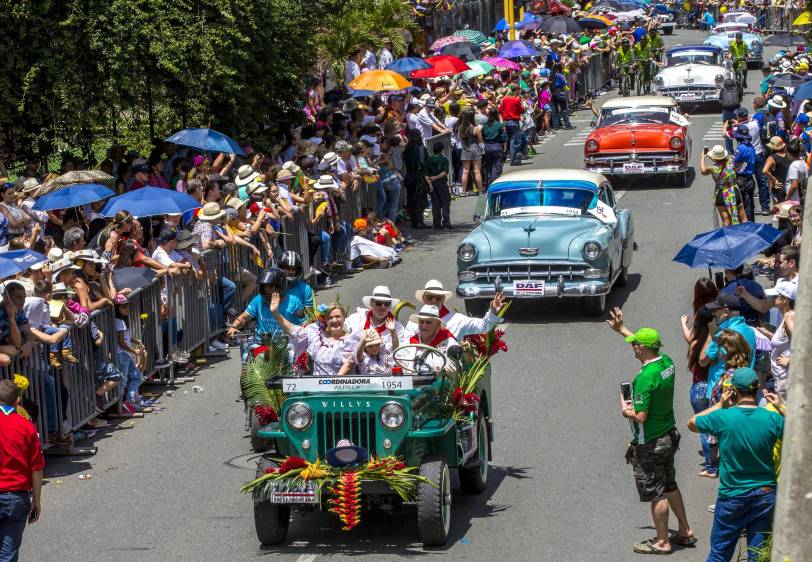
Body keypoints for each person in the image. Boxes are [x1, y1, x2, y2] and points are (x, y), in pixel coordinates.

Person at [606, 307, 695, 555]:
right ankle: (685, 530)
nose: (633, 347)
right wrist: (622, 329)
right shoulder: (666, 363)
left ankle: (662, 541)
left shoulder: (646, 378)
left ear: (642, 349)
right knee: (669, 484)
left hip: (651, 441)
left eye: (635, 345)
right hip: (668, 434)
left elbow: (641, 416)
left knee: (657, 493)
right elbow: (645, 346)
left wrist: (626, 409)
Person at [687, 368, 784, 562]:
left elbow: (692, 422)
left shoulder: (724, 417)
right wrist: (782, 407)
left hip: (733, 495)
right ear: (757, 389)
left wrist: (720, 405)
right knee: (759, 554)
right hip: (765, 494)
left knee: (719, 553)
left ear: (735, 391)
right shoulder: (772, 418)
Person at [0, 378, 44, 561]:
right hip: (15, 496)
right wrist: (37, 500)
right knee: (8, 552)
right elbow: (36, 467)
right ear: (17, 400)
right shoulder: (26, 427)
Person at [270, 295, 355, 377]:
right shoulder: (316, 334)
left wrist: (332, 383)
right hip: (318, 388)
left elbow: (348, 365)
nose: (334, 320)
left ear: (344, 317)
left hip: (344, 388)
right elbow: (294, 331)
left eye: (338, 316)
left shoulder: (352, 339)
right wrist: (276, 313)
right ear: (325, 320)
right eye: (330, 317)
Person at [405, 280, 505, 340]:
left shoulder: (458, 320)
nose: (434, 300)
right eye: (430, 297)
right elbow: (405, 346)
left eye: (438, 297)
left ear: (443, 299)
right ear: (424, 299)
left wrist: (493, 312)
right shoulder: (413, 322)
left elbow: (483, 327)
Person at [226, 268, 302, 347]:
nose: (267, 290)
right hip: (261, 344)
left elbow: (304, 325)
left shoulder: (294, 302)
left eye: (271, 286)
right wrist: (233, 327)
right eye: (265, 286)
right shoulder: (259, 299)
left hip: (287, 346)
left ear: (280, 286)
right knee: (246, 354)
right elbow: (244, 317)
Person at [700, 293, 757, 399]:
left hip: (722, 393)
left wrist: (711, 333)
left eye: (716, 310)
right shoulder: (750, 331)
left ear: (725, 312)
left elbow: (703, 361)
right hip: (745, 392)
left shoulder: (722, 334)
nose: (713, 313)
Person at [756, 280, 795, 400]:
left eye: (775, 296)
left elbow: (805, 346)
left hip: (786, 381)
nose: (771, 299)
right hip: (782, 380)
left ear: (785, 300)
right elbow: (785, 341)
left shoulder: (789, 318)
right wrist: (767, 333)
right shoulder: (786, 317)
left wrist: (789, 361)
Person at [401, 304, 460, 374]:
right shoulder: (408, 344)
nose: (424, 326)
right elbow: (399, 366)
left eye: (428, 322)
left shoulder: (449, 344)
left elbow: (456, 370)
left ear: (438, 325)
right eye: (421, 322)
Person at [345, 285, 405, 353]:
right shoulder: (357, 318)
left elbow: (398, 352)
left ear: (390, 306)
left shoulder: (397, 327)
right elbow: (343, 329)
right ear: (371, 303)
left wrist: (393, 333)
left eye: (387, 304)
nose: (383, 307)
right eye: (379, 303)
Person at [699, 145, 747, 226]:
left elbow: (703, 171)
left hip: (721, 194)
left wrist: (702, 157)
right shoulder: (732, 163)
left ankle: (727, 237)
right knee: (743, 218)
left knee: (726, 220)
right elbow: (736, 161)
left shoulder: (713, 168)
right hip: (733, 191)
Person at [278, 251, 313, 326]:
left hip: (298, 329)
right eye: (287, 268)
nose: (291, 272)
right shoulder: (274, 287)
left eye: (293, 269)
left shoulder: (306, 289)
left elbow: (310, 314)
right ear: (280, 268)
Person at [424, 143, 452, 230]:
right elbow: (444, 172)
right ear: (441, 150)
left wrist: (430, 183)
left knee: (435, 204)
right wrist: (435, 178)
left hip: (432, 185)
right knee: (445, 203)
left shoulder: (428, 160)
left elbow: (425, 174)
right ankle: (446, 223)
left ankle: (436, 223)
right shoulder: (444, 160)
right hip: (441, 183)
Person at [733, 124, 757, 221]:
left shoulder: (740, 148)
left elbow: (734, 161)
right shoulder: (751, 147)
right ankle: (752, 222)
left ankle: (747, 224)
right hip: (750, 178)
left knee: (744, 204)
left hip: (741, 179)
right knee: (750, 203)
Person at [498, 83, 525, 165]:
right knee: (514, 141)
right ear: (516, 90)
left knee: (508, 140)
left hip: (506, 122)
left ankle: (508, 157)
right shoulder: (516, 99)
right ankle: (512, 160)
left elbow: (500, 109)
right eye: (518, 90)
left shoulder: (505, 99)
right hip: (513, 121)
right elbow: (522, 110)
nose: (519, 91)